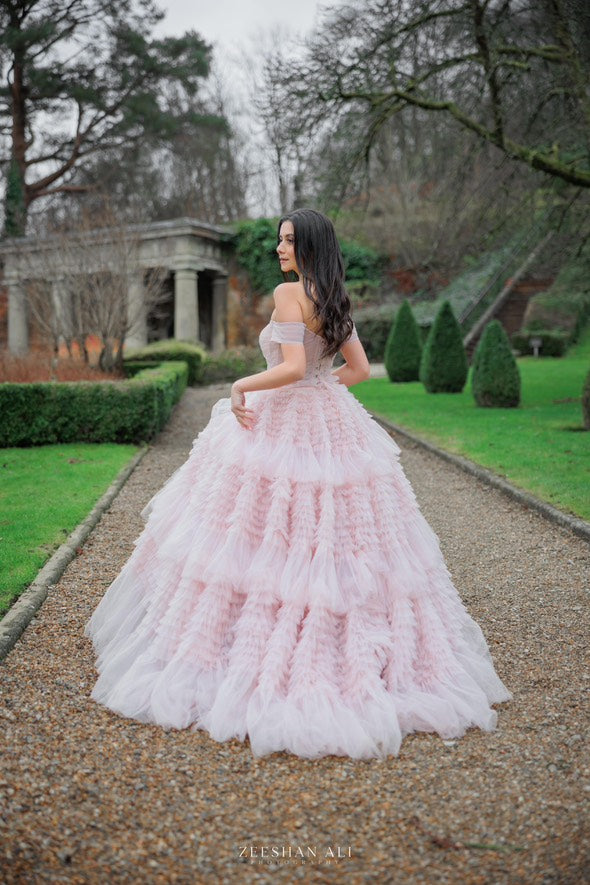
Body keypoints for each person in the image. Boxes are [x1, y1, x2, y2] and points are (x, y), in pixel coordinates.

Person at [84, 208, 511, 760]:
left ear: (308, 245)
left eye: (288, 241)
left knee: (260, 534)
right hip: (332, 418)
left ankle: (254, 652)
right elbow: (355, 371)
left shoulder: (290, 296)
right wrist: (318, 386)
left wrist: (241, 384)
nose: (279, 249)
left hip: (285, 416)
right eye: (279, 240)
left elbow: (287, 368)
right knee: (330, 536)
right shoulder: (333, 296)